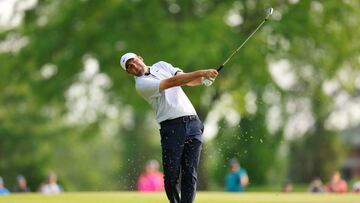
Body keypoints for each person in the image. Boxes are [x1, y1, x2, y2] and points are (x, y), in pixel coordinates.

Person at [120, 52, 218, 203]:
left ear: (140, 58)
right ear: (129, 72)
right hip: (172, 127)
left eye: (133, 61)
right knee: (171, 176)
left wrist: (203, 79)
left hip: (193, 123)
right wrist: (202, 72)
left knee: (190, 173)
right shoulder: (141, 85)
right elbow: (172, 82)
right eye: (129, 67)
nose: (133, 65)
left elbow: (186, 79)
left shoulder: (162, 65)